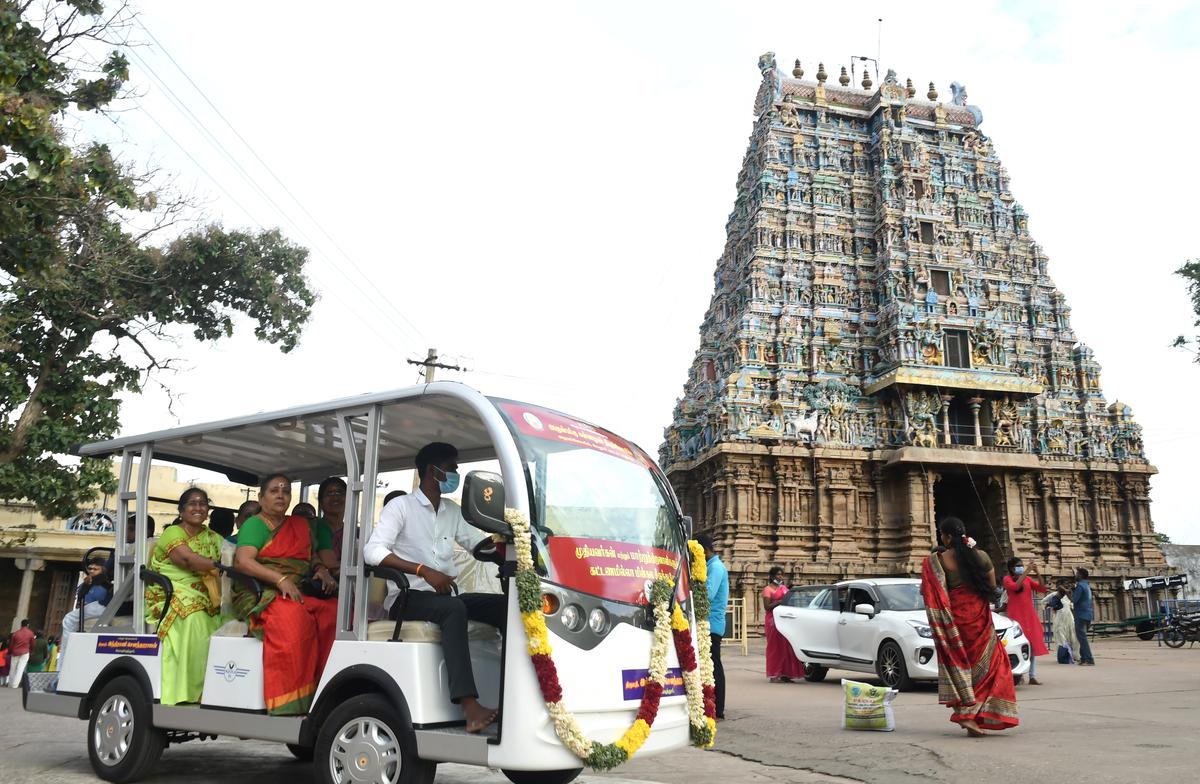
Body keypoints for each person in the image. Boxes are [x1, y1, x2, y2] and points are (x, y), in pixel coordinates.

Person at [364, 442, 506, 733]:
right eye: (452, 468)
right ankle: (470, 707)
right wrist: (423, 571)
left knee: (505, 607)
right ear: (434, 471)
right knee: (454, 608)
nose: (456, 473)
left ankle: (510, 693)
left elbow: (478, 546)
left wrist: (508, 543)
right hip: (406, 597)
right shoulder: (401, 506)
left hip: (444, 597)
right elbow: (373, 551)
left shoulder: (452, 510)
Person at [233, 472, 338, 715]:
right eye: (274, 491)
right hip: (262, 592)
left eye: (286, 491)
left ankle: (325, 694)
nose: (281, 495)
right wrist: (280, 581)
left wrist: (321, 570)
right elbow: (243, 562)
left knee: (333, 613)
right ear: (261, 498)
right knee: (293, 619)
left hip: (297, 589)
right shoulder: (255, 524)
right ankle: (291, 704)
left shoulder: (299, 524)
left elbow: (310, 558)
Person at [921, 517, 1018, 735]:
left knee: (958, 666)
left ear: (946, 536)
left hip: (954, 621)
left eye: (942, 534)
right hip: (978, 619)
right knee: (991, 667)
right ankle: (970, 715)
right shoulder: (981, 556)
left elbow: (928, 592)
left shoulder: (936, 561)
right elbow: (992, 586)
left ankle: (969, 717)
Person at [145, 488, 231, 705]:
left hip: (208, 595)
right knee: (196, 621)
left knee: (230, 621)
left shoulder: (213, 538)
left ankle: (216, 693)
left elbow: (233, 556)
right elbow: (187, 560)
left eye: (203, 504)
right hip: (171, 593)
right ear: (181, 510)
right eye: (192, 504)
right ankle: (187, 693)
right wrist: (219, 565)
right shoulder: (172, 533)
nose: (198, 508)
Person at [1002, 557, 1049, 684]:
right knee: (1018, 645)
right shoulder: (1007, 579)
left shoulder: (1027, 579)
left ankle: (1032, 675)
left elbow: (1042, 588)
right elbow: (1016, 587)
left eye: (1022, 565)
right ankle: (1019, 674)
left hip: (1029, 617)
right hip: (1016, 617)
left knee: (1032, 645)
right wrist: (1027, 571)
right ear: (1011, 568)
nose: (1021, 567)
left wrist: (1037, 572)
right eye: (1018, 565)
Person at [696, 534, 728, 720]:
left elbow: (708, 594)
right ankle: (711, 704)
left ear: (704, 550)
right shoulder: (710, 566)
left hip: (712, 624)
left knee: (714, 667)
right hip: (707, 623)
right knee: (709, 666)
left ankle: (718, 707)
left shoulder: (715, 567)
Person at [58, 558, 111, 667]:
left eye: (95, 569)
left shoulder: (106, 581)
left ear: (102, 569)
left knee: (69, 619)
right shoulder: (87, 581)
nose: (92, 571)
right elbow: (81, 596)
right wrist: (87, 585)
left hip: (99, 613)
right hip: (85, 616)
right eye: (90, 568)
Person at [762, 566, 804, 683]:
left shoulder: (784, 588)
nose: (780, 577)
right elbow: (767, 606)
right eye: (778, 575)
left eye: (781, 575)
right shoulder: (768, 589)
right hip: (773, 621)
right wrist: (781, 601)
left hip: (785, 619)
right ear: (772, 576)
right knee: (775, 647)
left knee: (787, 647)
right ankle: (774, 674)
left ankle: (786, 674)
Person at [315, 477, 348, 563]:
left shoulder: (353, 532)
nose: (335, 497)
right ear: (321, 502)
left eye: (339, 492)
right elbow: (331, 564)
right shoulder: (318, 528)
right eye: (329, 493)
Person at [1045, 583, 1079, 662]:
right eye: (1065, 587)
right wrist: (1052, 606)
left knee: (1073, 637)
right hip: (1059, 620)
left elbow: (1073, 606)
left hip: (1069, 619)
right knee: (1061, 638)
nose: (1067, 588)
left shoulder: (1069, 596)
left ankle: (1074, 655)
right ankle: (1064, 657)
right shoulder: (1054, 595)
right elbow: (1044, 602)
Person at [1071, 567, 1095, 666]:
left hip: (1081, 614)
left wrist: (1066, 592)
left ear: (1080, 575)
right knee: (1082, 637)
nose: (1075, 575)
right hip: (1088, 614)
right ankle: (1084, 658)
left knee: (1082, 638)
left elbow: (1074, 600)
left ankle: (1089, 659)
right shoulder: (1086, 585)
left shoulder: (1080, 586)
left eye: (1077, 574)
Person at [8, 620, 35, 689]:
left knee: (13, 668)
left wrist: (9, 652)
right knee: (20, 669)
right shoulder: (31, 633)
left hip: (15, 652)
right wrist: (32, 651)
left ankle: (10, 684)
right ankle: (15, 685)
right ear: (28, 625)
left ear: (21, 625)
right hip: (25, 653)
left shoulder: (15, 633)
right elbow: (32, 644)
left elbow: (11, 645)